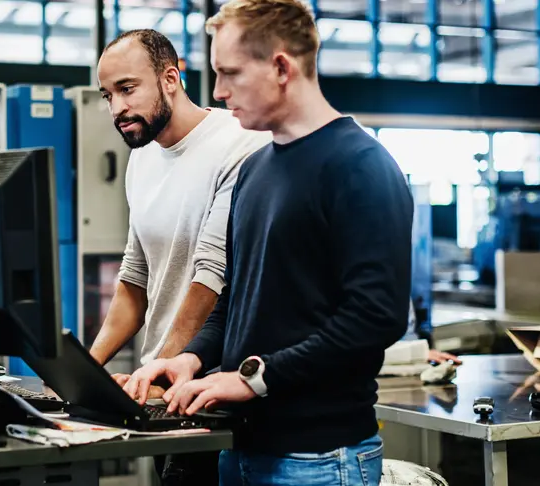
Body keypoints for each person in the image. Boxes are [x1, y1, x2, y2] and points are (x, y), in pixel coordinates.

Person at [121, 0, 415, 484]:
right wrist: (190, 359)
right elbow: (234, 299)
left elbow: (375, 317)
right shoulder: (256, 170)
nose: (218, 91)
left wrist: (254, 378)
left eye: (230, 73)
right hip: (241, 448)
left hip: (319, 458)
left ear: (281, 67)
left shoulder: (361, 166)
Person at [90, 29, 272, 484]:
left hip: (211, 389)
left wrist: (157, 377)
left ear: (170, 78)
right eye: (107, 95)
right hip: (161, 387)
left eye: (127, 89)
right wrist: (84, 374)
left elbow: (210, 279)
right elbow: (134, 281)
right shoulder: (143, 158)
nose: (117, 109)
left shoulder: (239, 144)